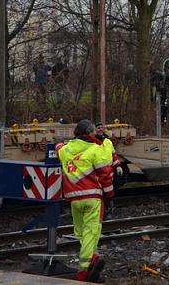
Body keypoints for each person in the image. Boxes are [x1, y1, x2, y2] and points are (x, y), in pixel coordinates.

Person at [57, 120, 114, 282]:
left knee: (81, 233)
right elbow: (105, 176)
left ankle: (92, 263)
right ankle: (84, 271)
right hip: (92, 198)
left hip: (73, 199)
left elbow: (58, 147)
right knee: (91, 232)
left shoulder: (65, 150)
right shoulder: (95, 150)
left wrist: (58, 144)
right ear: (89, 133)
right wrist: (109, 196)